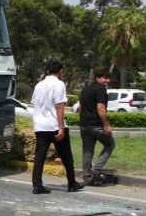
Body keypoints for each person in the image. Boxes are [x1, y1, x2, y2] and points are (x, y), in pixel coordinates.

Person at [30, 60, 82, 194]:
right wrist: (61, 128)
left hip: (40, 126)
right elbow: (59, 106)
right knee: (66, 156)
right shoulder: (59, 85)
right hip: (54, 125)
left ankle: (37, 185)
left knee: (40, 156)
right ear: (60, 72)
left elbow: (35, 104)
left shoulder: (39, 85)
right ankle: (72, 183)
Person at [79, 69, 115, 187]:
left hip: (84, 124)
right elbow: (100, 108)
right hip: (96, 125)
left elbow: (80, 106)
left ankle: (87, 176)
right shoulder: (101, 90)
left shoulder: (85, 89)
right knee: (110, 144)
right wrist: (106, 124)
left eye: (108, 78)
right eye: (105, 78)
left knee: (87, 150)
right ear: (98, 78)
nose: (107, 80)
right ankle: (95, 170)